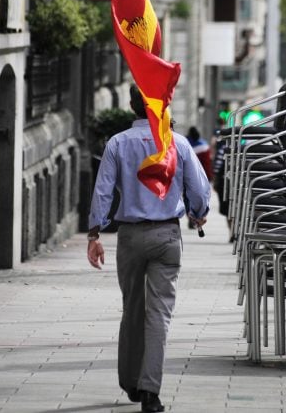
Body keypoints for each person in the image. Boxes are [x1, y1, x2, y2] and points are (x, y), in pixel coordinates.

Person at [87, 84, 210, 413]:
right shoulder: (177, 143)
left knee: (133, 310)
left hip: (130, 237)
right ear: (161, 104)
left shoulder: (117, 143)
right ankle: (150, 391)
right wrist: (199, 214)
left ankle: (130, 382)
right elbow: (199, 190)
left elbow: (102, 192)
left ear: (130, 105)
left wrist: (94, 233)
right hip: (167, 236)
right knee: (159, 316)